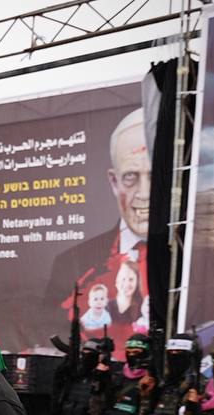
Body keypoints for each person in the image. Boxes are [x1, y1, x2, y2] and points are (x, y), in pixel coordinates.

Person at [46, 108, 150, 341]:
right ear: (114, 182)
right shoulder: (70, 263)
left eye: (154, 176)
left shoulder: (196, 264)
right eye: (131, 176)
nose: (144, 193)